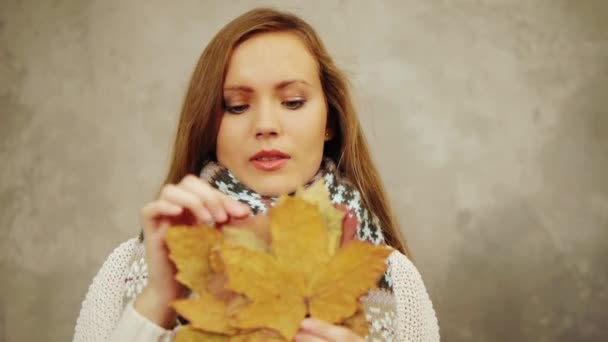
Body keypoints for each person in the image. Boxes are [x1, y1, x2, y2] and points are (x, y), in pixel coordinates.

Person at [73, 7, 439, 342]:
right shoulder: (131, 269)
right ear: (209, 126)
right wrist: (157, 300)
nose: (265, 125)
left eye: (293, 102)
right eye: (237, 106)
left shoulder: (394, 277)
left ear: (331, 121)